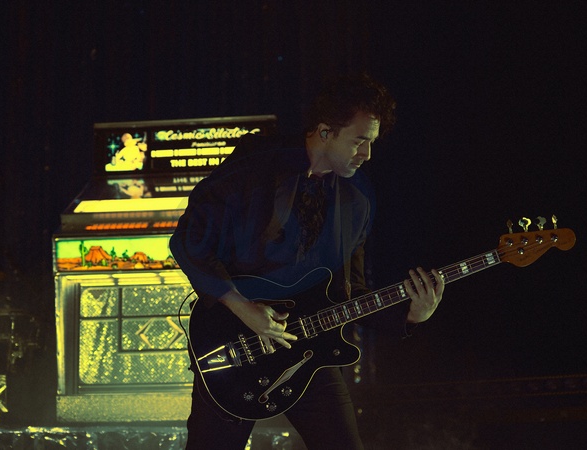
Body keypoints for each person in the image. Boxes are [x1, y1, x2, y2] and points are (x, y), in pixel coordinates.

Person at [169, 73, 445, 449]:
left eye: (372, 142)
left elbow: (352, 293)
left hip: (310, 352)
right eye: (359, 141)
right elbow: (188, 239)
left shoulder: (355, 203)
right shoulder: (256, 163)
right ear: (325, 131)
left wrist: (411, 315)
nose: (367, 154)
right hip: (233, 345)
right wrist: (243, 307)